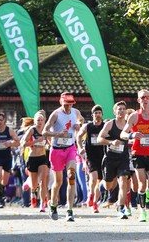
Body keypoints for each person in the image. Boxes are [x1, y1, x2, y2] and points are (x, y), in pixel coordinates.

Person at [120, 90, 149, 222]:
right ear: (138, 100)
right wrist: (132, 135)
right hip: (138, 153)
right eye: (142, 98)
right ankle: (142, 211)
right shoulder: (134, 116)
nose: (145, 100)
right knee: (141, 184)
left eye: (147, 97)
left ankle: (148, 192)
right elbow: (123, 134)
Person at [42, 92, 84, 221]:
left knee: (71, 176)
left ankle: (69, 210)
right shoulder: (56, 114)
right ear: (61, 103)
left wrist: (79, 125)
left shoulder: (75, 112)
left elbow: (81, 120)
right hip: (56, 151)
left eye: (70, 104)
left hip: (70, 149)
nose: (68, 107)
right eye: (65, 104)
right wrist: (58, 134)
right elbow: (44, 131)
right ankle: (53, 204)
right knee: (58, 181)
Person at [98, 101, 130, 219]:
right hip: (110, 158)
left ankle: (121, 207)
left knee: (123, 182)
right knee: (109, 186)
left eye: (123, 109)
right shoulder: (110, 124)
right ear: (114, 112)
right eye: (119, 109)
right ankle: (102, 184)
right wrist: (111, 142)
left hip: (123, 158)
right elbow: (99, 138)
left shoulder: (128, 125)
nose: (121, 111)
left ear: (126, 111)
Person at [76, 105, 105, 213]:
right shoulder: (87, 126)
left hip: (103, 156)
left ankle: (95, 203)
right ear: (92, 115)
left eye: (99, 113)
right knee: (93, 179)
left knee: (100, 181)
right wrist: (80, 148)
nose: (97, 115)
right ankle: (91, 194)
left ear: (102, 115)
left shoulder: (105, 126)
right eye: (95, 113)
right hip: (91, 156)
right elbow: (78, 136)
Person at [21, 111, 49, 212]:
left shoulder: (46, 130)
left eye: (42, 120)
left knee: (42, 182)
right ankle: (30, 185)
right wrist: (36, 141)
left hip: (42, 158)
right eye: (38, 120)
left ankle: (42, 204)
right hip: (32, 158)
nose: (40, 122)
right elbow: (23, 144)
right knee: (34, 185)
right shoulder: (32, 130)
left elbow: (50, 142)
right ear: (35, 121)